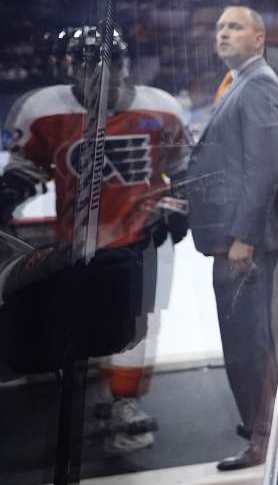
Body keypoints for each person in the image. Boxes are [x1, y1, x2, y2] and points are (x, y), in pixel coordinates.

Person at [0, 26, 190, 454]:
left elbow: (184, 172)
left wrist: (177, 212)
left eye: (110, 62)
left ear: (126, 65)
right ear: (70, 67)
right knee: (84, 322)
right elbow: (26, 170)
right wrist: (9, 194)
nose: (101, 73)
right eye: (88, 63)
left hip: (142, 236)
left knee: (139, 324)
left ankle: (124, 402)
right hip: (79, 241)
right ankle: (100, 399)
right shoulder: (43, 110)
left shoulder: (160, 109)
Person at [185, 6, 278, 471]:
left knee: (248, 344)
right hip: (230, 238)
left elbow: (263, 168)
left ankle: (262, 439)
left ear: (259, 38)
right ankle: (261, 430)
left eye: (234, 27)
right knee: (245, 342)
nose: (223, 33)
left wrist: (243, 236)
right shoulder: (242, 84)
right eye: (219, 27)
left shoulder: (260, 84)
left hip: (241, 243)